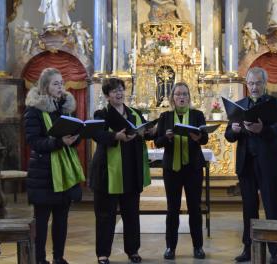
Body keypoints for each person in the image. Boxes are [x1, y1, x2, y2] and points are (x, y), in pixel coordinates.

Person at [224, 67, 277, 264]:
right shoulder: (239, 105)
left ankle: (276, 251)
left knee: (272, 207)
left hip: (268, 163)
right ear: (246, 84)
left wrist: (263, 129)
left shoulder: (275, 103)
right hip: (246, 163)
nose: (254, 87)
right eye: (250, 83)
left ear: (264, 83)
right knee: (249, 208)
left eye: (258, 83)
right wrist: (233, 130)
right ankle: (248, 248)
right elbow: (229, 135)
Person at [89, 78, 154, 264]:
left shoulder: (135, 113)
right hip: (107, 172)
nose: (119, 93)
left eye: (121, 90)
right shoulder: (101, 114)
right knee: (105, 215)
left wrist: (150, 131)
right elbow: (96, 135)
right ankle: (103, 253)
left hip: (131, 171)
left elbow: (145, 131)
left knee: (131, 214)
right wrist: (114, 136)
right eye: (114, 91)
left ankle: (132, 250)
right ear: (107, 95)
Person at [24, 68, 85, 264]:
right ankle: (40, 259)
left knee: (61, 219)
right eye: (56, 84)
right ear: (45, 87)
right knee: (41, 221)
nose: (61, 87)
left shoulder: (65, 109)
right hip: (44, 173)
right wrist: (59, 142)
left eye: (61, 83)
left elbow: (70, 138)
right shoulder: (34, 110)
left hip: (65, 171)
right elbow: (33, 141)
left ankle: (59, 257)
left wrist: (75, 138)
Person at [154, 82, 208, 260]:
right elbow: (158, 142)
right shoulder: (165, 117)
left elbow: (205, 138)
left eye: (185, 94)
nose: (181, 97)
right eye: (178, 94)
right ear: (172, 98)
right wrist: (167, 137)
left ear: (189, 97)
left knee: (194, 208)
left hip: (192, 168)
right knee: (172, 209)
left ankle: (198, 247)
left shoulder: (197, 115)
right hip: (172, 169)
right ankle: (170, 247)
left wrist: (198, 136)